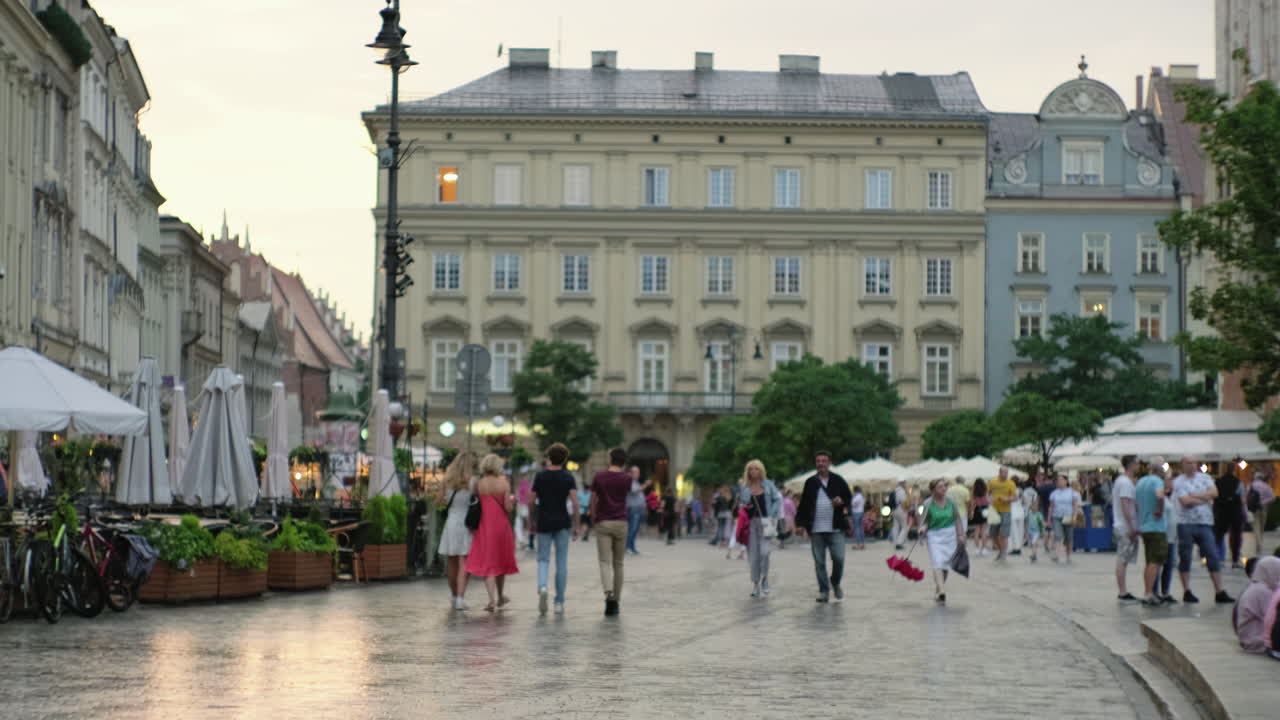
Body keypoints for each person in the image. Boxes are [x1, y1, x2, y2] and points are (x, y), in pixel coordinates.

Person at [1173, 456, 1234, 604]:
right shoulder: (1178, 481)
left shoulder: (1205, 477)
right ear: (1183, 465)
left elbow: (1215, 493)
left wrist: (1196, 496)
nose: (1192, 465)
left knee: (1212, 554)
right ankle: (1187, 591)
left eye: (1195, 462)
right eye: (1189, 463)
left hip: (1205, 522)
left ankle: (1219, 590)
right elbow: (1185, 501)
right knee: (1185, 556)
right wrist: (1205, 498)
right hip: (1185, 523)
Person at [794, 450, 853, 603]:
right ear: (816, 463)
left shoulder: (838, 480)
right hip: (816, 529)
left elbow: (848, 498)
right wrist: (800, 524)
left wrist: (842, 502)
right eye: (818, 461)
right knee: (819, 562)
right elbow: (804, 505)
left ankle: (835, 582)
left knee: (839, 558)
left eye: (824, 461)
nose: (821, 464)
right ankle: (824, 591)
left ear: (829, 463)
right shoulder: (810, 482)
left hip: (835, 527)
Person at [465, 453, 519, 612]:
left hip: (484, 527)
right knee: (500, 562)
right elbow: (508, 508)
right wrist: (513, 501)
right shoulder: (504, 484)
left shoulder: (479, 484)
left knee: (489, 563)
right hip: (501, 527)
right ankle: (501, 596)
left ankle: (492, 600)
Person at [531, 443, 579, 615]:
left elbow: (531, 500)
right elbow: (574, 502)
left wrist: (532, 520)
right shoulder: (568, 477)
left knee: (543, 559)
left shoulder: (540, 476)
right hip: (562, 523)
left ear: (549, 457)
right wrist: (577, 525)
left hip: (544, 521)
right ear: (565, 459)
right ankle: (559, 602)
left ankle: (543, 587)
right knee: (561, 563)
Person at [590, 447, 632, 616]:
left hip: (604, 521)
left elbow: (593, 500)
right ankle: (616, 600)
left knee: (605, 561)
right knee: (619, 563)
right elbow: (623, 496)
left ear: (611, 459)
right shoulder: (627, 479)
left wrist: (594, 517)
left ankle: (608, 595)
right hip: (621, 522)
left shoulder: (599, 477)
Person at [436, 450, 476, 611]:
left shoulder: (447, 481)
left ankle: (454, 596)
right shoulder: (472, 482)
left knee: (452, 562)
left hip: (451, 522)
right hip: (466, 524)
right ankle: (460, 597)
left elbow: (439, 501)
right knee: (465, 563)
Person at [739, 460, 782, 598]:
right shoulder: (745, 486)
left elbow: (777, 499)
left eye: (756, 469)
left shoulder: (769, 485)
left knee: (765, 553)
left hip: (768, 521)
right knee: (753, 556)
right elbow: (741, 503)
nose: (753, 472)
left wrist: (773, 514)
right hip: (751, 523)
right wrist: (744, 507)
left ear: (761, 470)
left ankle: (764, 579)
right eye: (751, 469)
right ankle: (756, 584)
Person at [921, 478, 964, 605]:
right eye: (940, 487)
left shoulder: (951, 501)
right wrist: (923, 527)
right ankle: (942, 591)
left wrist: (960, 534)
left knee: (945, 566)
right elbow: (924, 521)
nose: (944, 489)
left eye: (944, 486)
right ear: (933, 490)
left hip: (950, 535)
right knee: (937, 562)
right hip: (934, 536)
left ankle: (938, 590)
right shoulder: (927, 503)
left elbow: (957, 518)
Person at [1135, 459, 1169, 607]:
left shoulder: (1140, 482)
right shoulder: (1157, 481)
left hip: (1144, 525)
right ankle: (1148, 593)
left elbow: (1136, 504)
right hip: (1156, 527)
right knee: (1155, 562)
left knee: (1149, 561)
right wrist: (1159, 510)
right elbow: (1160, 496)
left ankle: (1147, 591)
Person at [1234, 557, 1280, 653]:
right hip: (1256, 642)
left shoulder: (1254, 586)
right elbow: (1272, 619)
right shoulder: (1262, 591)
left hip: (1249, 639)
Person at [1112, 457, 1140, 601]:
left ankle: (1123, 590)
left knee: (1123, 559)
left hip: (1122, 525)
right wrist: (1131, 526)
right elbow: (1125, 505)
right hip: (1124, 526)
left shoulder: (1122, 481)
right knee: (1123, 559)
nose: (1139, 465)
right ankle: (1122, 591)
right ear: (1132, 465)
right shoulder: (1125, 482)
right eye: (1137, 463)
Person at [1215, 464, 1246, 570]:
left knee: (1218, 536)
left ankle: (1219, 559)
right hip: (1235, 512)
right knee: (1236, 537)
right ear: (1233, 470)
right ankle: (1235, 560)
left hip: (1221, 512)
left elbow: (1215, 496)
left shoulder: (1218, 481)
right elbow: (1242, 499)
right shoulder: (1238, 482)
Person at [1158, 468, 1180, 605]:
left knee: (1169, 564)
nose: (1170, 482)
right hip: (1162, 534)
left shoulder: (1174, 495)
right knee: (1159, 563)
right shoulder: (1159, 495)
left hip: (1172, 536)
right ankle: (1154, 591)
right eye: (1168, 479)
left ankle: (1165, 592)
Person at [988, 466, 1018, 562]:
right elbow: (988, 494)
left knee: (1004, 534)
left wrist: (1007, 499)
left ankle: (1003, 554)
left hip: (1006, 511)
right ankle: (1001, 551)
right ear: (999, 473)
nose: (1005, 475)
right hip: (994, 511)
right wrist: (989, 500)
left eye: (1006, 473)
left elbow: (1015, 497)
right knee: (993, 534)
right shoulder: (993, 482)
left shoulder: (1011, 483)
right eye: (1003, 473)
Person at [1049, 473, 1081, 564]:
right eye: (1058, 480)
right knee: (1058, 535)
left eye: (1061, 480)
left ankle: (1068, 555)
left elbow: (1075, 505)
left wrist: (1074, 516)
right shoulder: (1054, 493)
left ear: (1066, 481)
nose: (1059, 482)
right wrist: (1049, 518)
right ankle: (1057, 555)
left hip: (1068, 516)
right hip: (1057, 516)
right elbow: (1051, 506)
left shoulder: (1072, 492)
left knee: (1068, 537)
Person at [625, 465, 652, 555]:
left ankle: (632, 547)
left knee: (635, 529)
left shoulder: (635, 482)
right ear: (630, 473)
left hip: (638, 508)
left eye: (638, 472)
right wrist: (646, 484)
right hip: (633, 508)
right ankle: (628, 547)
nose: (638, 474)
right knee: (632, 528)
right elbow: (634, 491)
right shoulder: (629, 481)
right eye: (636, 472)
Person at [1250, 471, 1276, 556]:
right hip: (1263, 508)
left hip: (1254, 508)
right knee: (1261, 527)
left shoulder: (1251, 485)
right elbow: (1272, 497)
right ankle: (1259, 544)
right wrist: (1264, 502)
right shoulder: (1266, 486)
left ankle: (1258, 545)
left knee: (1256, 526)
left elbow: (1247, 496)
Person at [971, 479, 990, 555]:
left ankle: (977, 548)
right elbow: (988, 501)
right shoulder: (986, 491)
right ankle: (984, 548)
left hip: (977, 510)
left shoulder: (974, 492)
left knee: (977, 530)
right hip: (985, 510)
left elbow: (972, 503)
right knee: (984, 531)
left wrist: (972, 512)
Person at [890, 478, 909, 550]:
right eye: (905, 483)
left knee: (895, 526)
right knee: (905, 527)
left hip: (894, 510)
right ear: (903, 483)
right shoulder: (902, 491)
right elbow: (903, 502)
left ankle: (895, 542)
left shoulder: (895, 490)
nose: (906, 484)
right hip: (901, 510)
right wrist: (906, 510)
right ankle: (899, 543)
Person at [1025, 495, 1044, 563]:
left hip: (1036, 531)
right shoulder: (1029, 514)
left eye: (1036, 506)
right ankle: (1034, 554)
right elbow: (1027, 523)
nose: (1034, 508)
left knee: (1034, 543)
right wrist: (1026, 532)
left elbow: (1041, 524)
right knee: (1031, 544)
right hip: (1030, 531)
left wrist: (1042, 532)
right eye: (1033, 506)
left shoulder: (1039, 515)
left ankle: (1033, 554)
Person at [849, 485, 867, 550]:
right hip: (861, 512)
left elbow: (853, 504)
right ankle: (862, 543)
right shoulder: (862, 496)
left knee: (857, 528)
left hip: (856, 512)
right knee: (861, 528)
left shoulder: (857, 497)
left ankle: (858, 544)